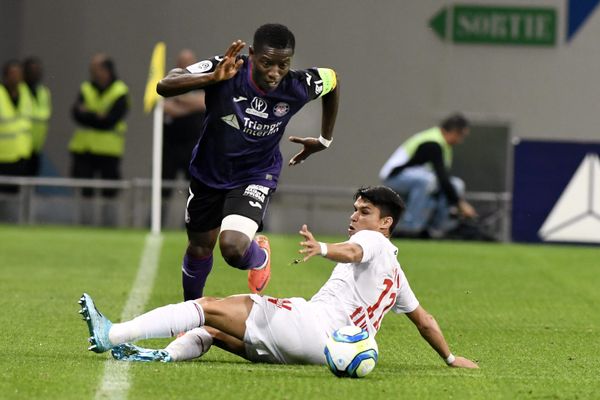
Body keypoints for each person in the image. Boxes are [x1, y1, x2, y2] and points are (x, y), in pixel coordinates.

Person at [79, 186, 478, 369]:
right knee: (217, 332)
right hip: (319, 352)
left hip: (309, 326)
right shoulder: (397, 274)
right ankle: (159, 355)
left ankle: (112, 334)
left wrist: (322, 248)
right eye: (355, 209)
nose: (355, 217)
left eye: (365, 211)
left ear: (385, 223)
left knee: (207, 307)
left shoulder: (372, 242)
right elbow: (424, 320)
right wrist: (449, 357)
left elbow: (353, 250)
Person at [156, 23, 340, 297]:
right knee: (199, 247)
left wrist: (324, 140)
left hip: (255, 174)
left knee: (232, 248)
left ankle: (260, 257)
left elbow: (333, 80)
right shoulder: (228, 67)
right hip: (209, 171)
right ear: (252, 54)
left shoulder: (299, 85)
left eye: (283, 64)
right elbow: (165, 84)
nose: (275, 72)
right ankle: (190, 318)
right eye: (267, 63)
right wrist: (210, 79)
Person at [379, 114, 477, 238]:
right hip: (395, 177)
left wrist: (456, 200)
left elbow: (444, 180)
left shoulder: (445, 145)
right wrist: (460, 203)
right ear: (454, 132)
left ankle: (439, 229)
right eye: (461, 136)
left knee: (456, 184)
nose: (461, 140)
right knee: (427, 181)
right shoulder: (433, 142)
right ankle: (410, 228)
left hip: (418, 179)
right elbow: (442, 178)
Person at [68, 54, 130, 197]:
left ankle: (107, 219)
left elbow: (111, 120)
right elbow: (76, 114)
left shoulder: (120, 91)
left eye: (95, 68)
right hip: (84, 149)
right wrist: (98, 115)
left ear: (106, 70)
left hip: (109, 150)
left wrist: (89, 113)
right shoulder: (86, 88)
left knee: (109, 191)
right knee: (84, 190)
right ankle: (83, 219)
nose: (91, 71)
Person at [161, 49, 206, 198]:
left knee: (194, 187)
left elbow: (203, 102)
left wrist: (179, 99)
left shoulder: (202, 81)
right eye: (183, 63)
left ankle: (191, 220)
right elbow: (165, 107)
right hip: (170, 145)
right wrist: (190, 105)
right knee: (164, 188)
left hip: (193, 144)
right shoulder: (170, 81)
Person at [0, 60, 33, 192]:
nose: (17, 77)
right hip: (3, 155)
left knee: (18, 195)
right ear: (6, 76)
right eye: (13, 74)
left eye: (19, 74)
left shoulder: (25, 93)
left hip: (22, 154)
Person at [23, 57, 52, 176]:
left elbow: (45, 115)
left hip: (36, 146)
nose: (36, 74)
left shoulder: (43, 92)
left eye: (38, 70)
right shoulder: (19, 91)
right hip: (18, 148)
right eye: (32, 70)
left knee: (32, 180)